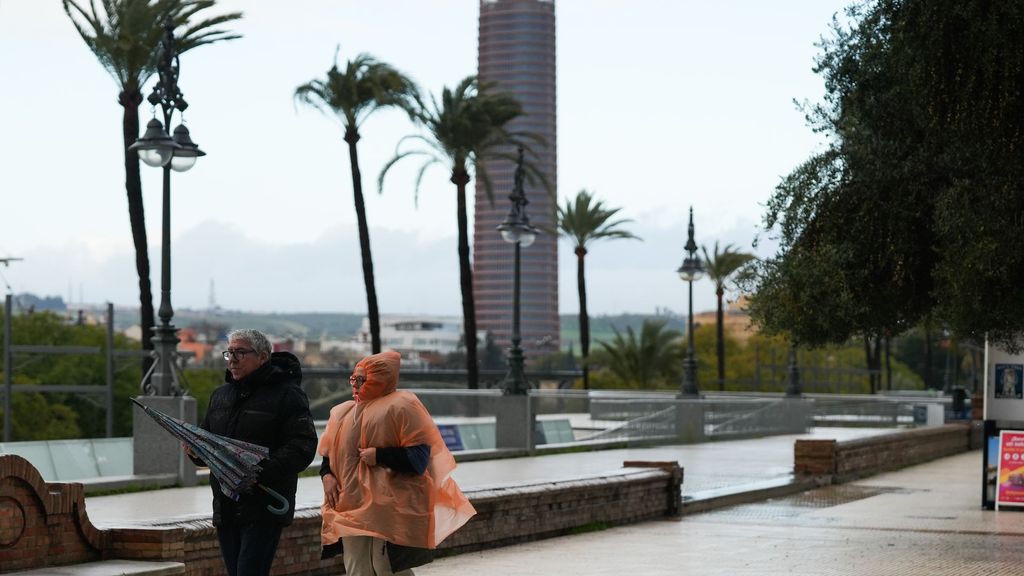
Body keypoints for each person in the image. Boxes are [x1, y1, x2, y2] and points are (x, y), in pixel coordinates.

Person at [319, 350, 476, 575]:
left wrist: (380, 456)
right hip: (348, 503)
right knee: (356, 567)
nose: (355, 384)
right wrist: (327, 476)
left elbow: (419, 459)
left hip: (386, 505)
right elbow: (329, 453)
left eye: (362, 379)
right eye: (354, 378)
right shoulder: (342, 412)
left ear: (380, 379)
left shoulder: (403, 406)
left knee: (386, 567)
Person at [193, 328, 317, 576]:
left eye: (240, 352)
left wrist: (260, 471)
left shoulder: (288, 394)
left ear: (262, 357)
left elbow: (303, 445)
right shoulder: (220, 396)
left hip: (265, 505)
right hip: (226, 506)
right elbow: (208, 442)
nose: (233, 359)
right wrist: (195, 451)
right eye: (229, 353)